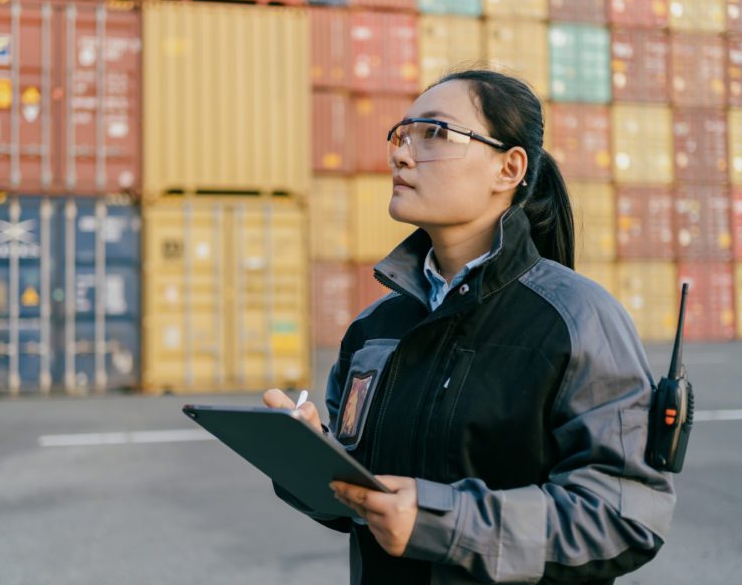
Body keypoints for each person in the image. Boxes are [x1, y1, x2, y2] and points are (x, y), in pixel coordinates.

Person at [263, 69, 675, 584]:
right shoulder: (374, 329)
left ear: (509, 168)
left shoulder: (578, 320)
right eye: (402, 134)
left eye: (434, 133)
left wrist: (442, 522)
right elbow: (362, 498)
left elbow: (623, 516)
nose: (401, 153)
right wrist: (308, 456)